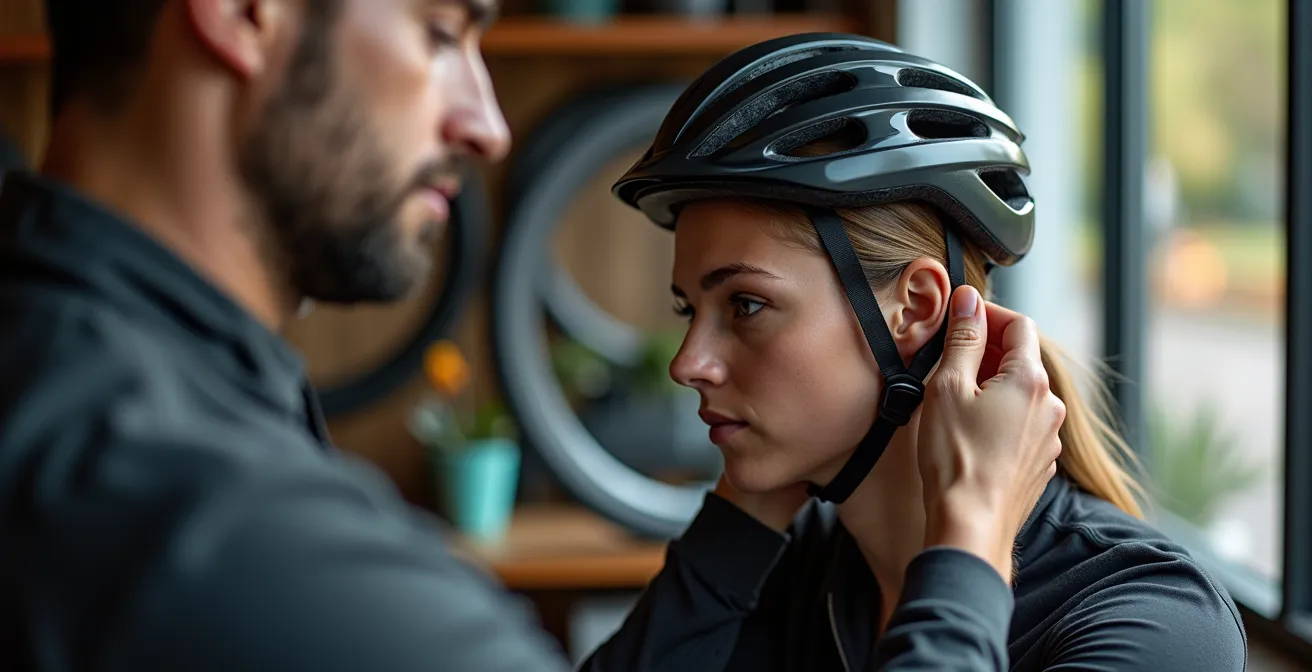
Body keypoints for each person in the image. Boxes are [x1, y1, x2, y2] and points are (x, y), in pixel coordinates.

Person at [0, 0, 1127, 668]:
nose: (485, 123)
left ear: (918, 308)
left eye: (746, 305)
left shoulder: (90, 388)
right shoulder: (209, 514)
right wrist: (966, 549)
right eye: (443, 30)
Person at [581, 33, 1249, 671]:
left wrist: (971, 533)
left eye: (746, 306)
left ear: (917, 309)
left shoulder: (1155, 625)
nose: (688, 363)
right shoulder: (798, 576)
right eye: (688, 311)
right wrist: (733, 533)